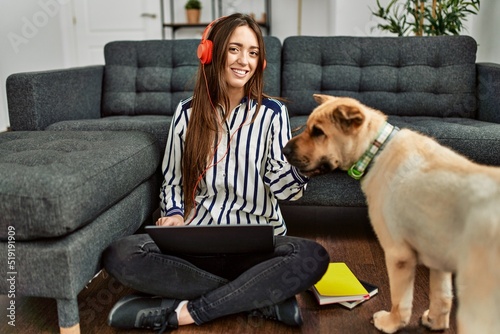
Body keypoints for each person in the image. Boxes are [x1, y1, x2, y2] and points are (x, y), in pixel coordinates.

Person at [102, 13, 329, 333]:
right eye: (235, 49)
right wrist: (175, 215)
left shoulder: (273, 114)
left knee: (312, 256)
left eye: (253, 53)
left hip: (257, 251)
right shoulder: (187, 113)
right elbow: (174, 180)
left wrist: (306, 168)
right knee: (120, 254)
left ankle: (181, 312)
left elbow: (282, 189)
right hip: (195, 247)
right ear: (211, 52)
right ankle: (257, 297)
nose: (244, 61)